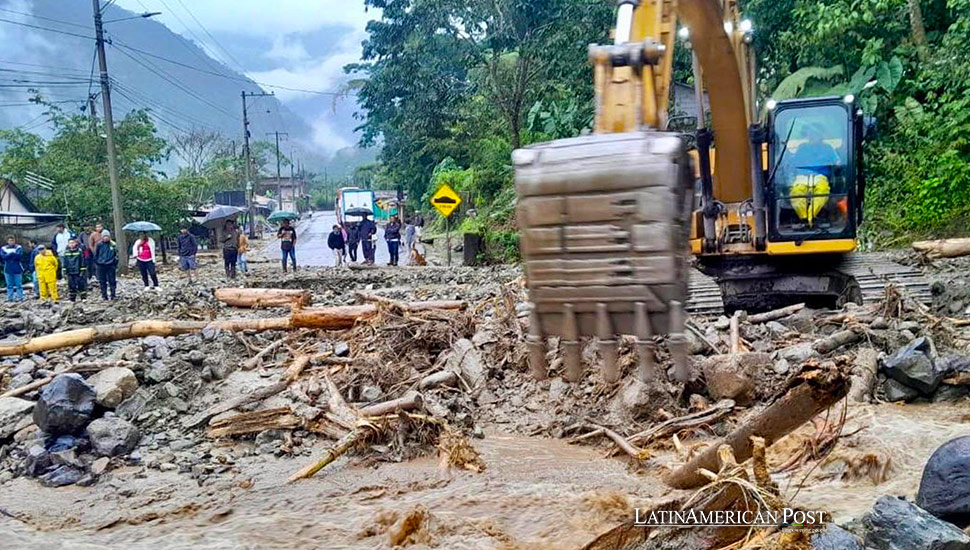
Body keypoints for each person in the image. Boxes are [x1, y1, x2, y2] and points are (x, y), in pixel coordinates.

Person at [94, 230, 119, 300]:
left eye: (107, 236)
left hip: (110, 265)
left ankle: (113, 294)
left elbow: (116, 255)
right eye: (104, 236)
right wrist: (98, 262)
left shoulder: (113, 244)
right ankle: (104, 295)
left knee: (112, 280)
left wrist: (114, 263)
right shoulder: (99, 244)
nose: (106, 238)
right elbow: (96, 254)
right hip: (101, 265)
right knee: (102, 281)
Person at [1, 236, 24, 302]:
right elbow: (3, 257)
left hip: (17, 269)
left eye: (13, 240)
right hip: (8, 269)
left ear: (15, 241)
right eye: (10, 240)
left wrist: (9, 255)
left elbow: (19, 256)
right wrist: (12, 254)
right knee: (9, 285)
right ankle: (10, 298)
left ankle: (20, 298)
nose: (11, 242)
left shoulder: (19, 247)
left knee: (19, 285)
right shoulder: (3, 248)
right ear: (7, 241)